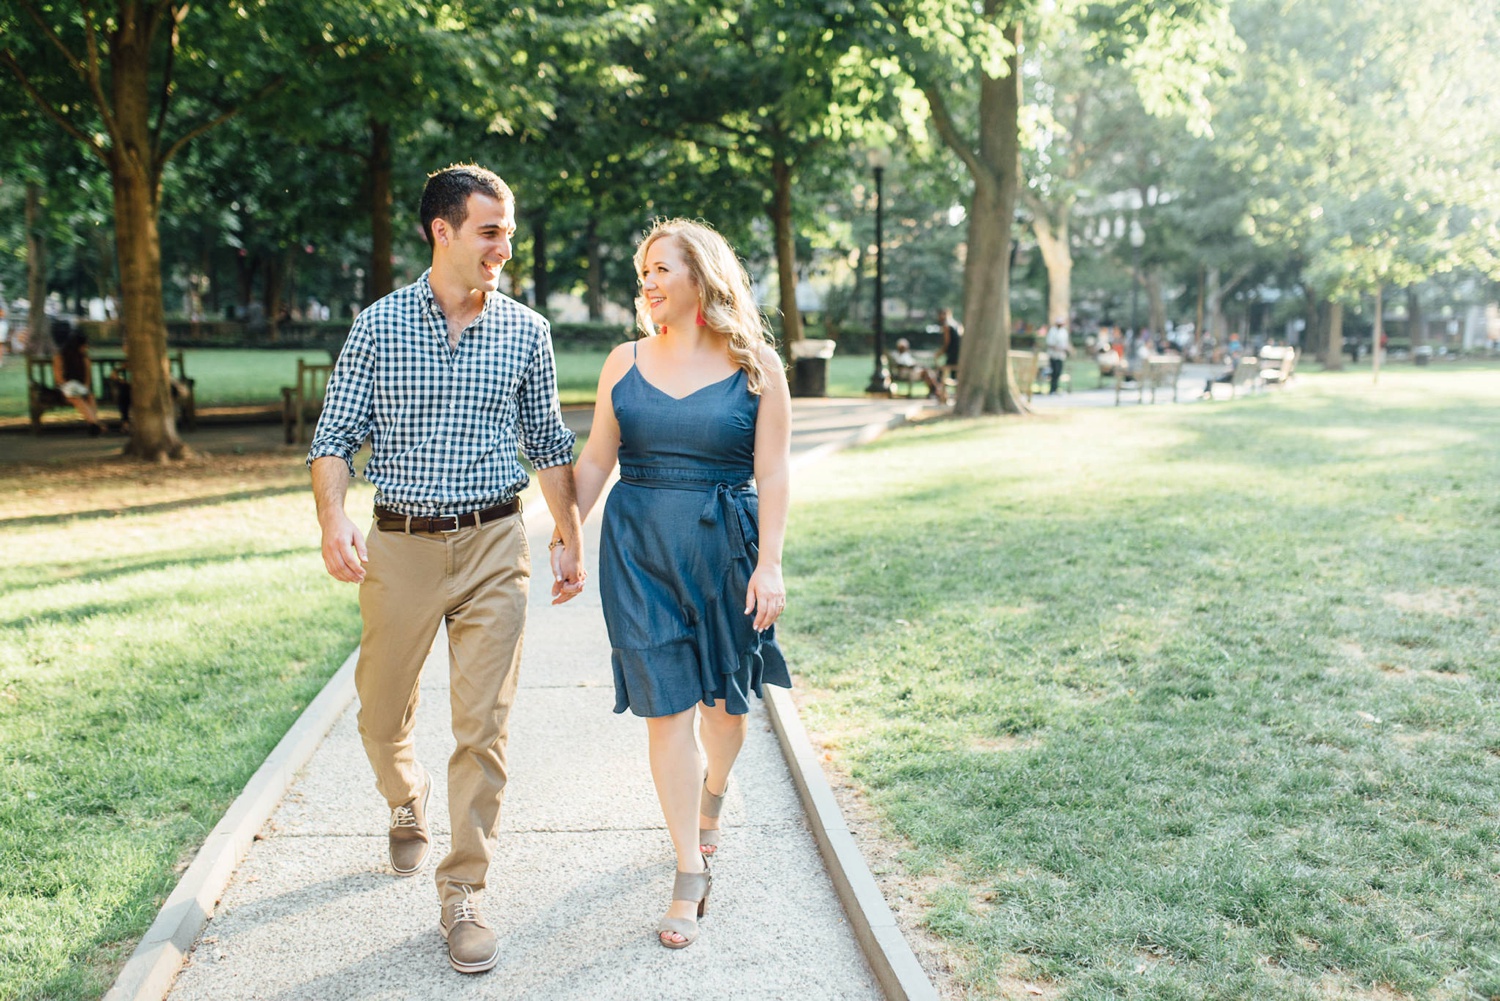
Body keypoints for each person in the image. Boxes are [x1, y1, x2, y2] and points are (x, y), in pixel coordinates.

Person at [307, 164, 585, 976]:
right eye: (490, 230)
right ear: (444, 231)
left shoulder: (527, 331)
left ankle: (463, 890)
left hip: (497, 543)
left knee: (484, 726)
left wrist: (566, 535)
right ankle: (404, 792)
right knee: (378, 707)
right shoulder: (379, 326)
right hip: (401, 543)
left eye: (507, 229)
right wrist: (333, 518)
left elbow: (548, 445)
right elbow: (334, 437)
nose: (505, 245)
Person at [568, 218, 792, 950]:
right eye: (644, 272)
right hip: (638, 555)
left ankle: (714, 796)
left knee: (724, 712)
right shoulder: (622, 361)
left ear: (701, 273)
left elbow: (775, 471)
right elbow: (596, 461)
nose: (649, 282)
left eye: (661, 267)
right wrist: (566, 527)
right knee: (666, 712)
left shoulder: (757, 364)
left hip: (726, 551)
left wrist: (772, 563)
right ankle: (688, 870)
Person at [51, 318, 104, 435]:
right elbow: (59, 379)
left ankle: (93, 425)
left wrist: (84, 388)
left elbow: (87, 379)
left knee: (90, 397)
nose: (86, 347)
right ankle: (96, 424)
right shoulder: (60, 357)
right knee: (76, 399)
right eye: (85, 345)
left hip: (81, 389)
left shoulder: (84, 358)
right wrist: (70, 387)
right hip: (64, 390)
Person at [890, 337, 947, 403]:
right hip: (906, 373)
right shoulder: (896, 355)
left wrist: (917, 365)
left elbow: (912, 363)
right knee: (926, 373)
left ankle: (935, 390)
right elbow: (899, 365)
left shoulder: (906, 355)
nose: (904, 348)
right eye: (902, 347)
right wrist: (912, 366)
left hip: (914, 372)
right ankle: (936, 390)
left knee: (928, 372)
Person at [1044, 318, 1072, 394]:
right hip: (1053, 355)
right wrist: (1058, 348)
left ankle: (1056, 388)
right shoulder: (1052, 331)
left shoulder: (1064, 332)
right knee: (1054, 372)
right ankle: (1052, 389)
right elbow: (1050, 343)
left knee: (1058, 372)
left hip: (1061, 356)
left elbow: (1065, 343)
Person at [938, 306, 963, 371]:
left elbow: (947, 342)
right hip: (959, 351)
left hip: (953, 352)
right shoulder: (957, 324)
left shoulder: (946, 325)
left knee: (944, 371)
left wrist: (941, 352)